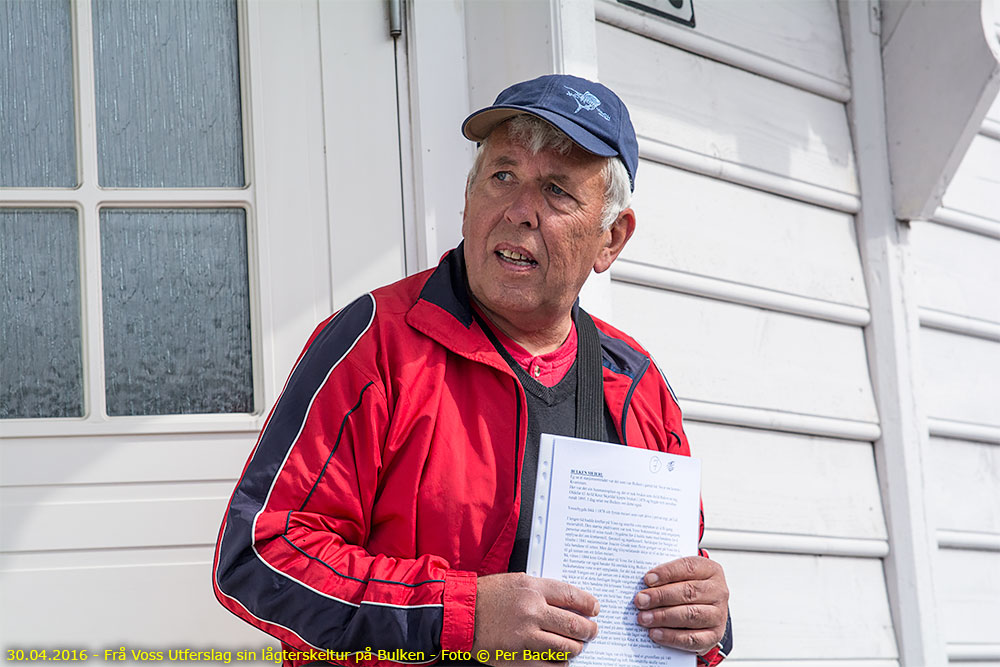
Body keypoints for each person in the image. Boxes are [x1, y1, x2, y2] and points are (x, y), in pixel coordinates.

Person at [213, 74, 732, 667]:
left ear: (610, 239)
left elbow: (671, 582)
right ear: (467, 197)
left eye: (558, 191)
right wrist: (460, 614)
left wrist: (707, 617)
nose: (518, 211)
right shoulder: (375, 342)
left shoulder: (637, 384)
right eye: (502, 175)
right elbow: (259, 554)